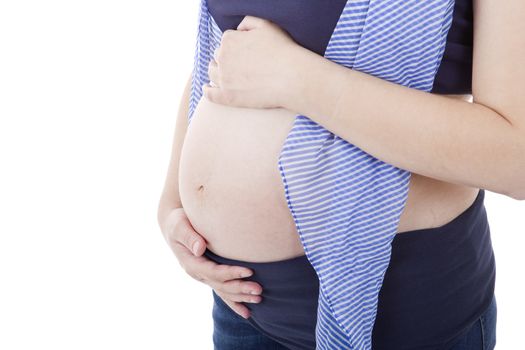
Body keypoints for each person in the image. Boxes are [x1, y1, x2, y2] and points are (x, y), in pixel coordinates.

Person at [158, 0, 524, 348]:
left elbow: (516, 160)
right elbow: (231, 52)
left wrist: (301, 80)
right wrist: (173, 202)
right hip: (242, 307)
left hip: (399, 315)